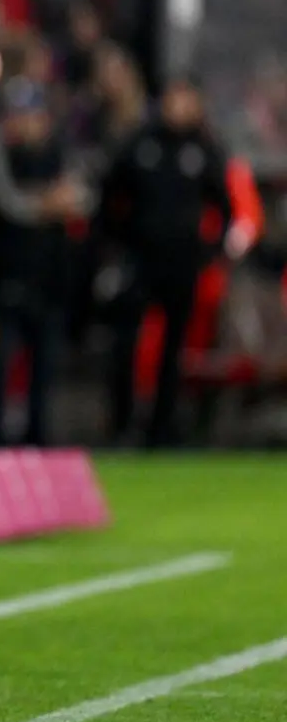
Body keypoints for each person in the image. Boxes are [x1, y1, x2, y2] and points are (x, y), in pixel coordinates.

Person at [97, 74, 249, 448]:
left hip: (181, 264)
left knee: (173, 348)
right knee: (125, 343)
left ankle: (162, 427)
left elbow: (226, 209)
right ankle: (122, 424)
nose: (178, 107)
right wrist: (118, 243)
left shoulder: (205, 149)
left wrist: (208, 253)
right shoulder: (140, 143)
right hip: (140, 260)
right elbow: (109, 196)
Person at [0, 77, 87, 449]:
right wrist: (50, 203)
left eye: (32, 114)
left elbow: (81, 197)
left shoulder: (62, 154)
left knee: (44, 363)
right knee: (1, 360)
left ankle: (37, 434)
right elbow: (11, 203)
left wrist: (55, 202)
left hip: (51, 273)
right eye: (19, 115)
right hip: (9, 273)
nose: (25, 123)